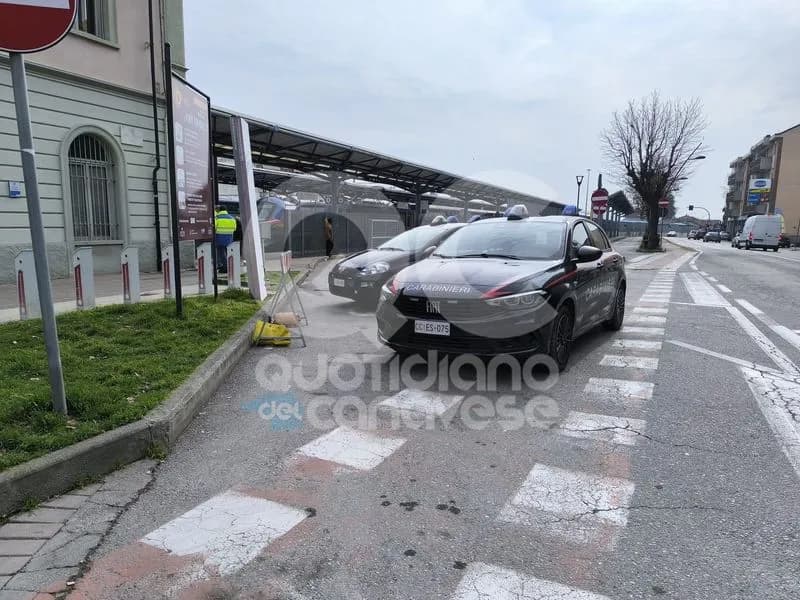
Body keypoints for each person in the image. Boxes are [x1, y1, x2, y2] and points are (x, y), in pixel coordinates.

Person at [214, 207, 237, 273]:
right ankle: (229, 266)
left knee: (221, 253)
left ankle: (225, 268)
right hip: (229, 238)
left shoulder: (217, 218)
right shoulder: (232, 218)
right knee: (228, 253)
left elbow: (214, 227)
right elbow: (234, 228)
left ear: (219, 211)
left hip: (219, 237)